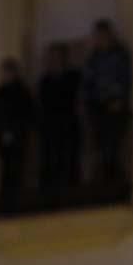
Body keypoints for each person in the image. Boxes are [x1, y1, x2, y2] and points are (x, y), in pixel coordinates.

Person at [83, 19, 132, 191]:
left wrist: (120, 100)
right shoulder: (93, 59)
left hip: (115, 107)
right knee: (100, 147)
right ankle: (101, 181)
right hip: (98, 108)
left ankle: (113, 182)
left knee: (113, 146)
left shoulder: (119, 55)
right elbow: (88, 84)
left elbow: (124, 80)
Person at [0, 58, 34, 213]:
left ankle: (14, 203)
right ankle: (5, 203)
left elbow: (26, 115)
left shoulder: (22, 94)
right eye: (4, 72)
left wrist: (13, 131)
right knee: (4, 171)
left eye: (8, 72)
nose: (5, 76)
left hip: (17, 138)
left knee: (16, 170)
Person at [38, 43, 82, 200]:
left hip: (68, 124)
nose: (55, 60)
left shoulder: (73, 77)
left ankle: (70, 192)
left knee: (68, 157)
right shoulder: (45, 81)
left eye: (57, 56)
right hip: (51, 126)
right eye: (52, 57)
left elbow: (76, 99)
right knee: (51, 158)